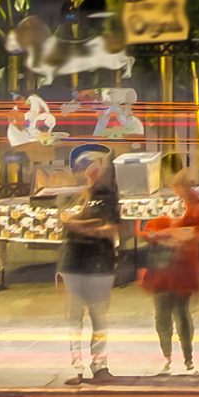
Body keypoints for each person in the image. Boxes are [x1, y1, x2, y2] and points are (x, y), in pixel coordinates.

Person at [139, 153, 199, 375]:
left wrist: (166, 232)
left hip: (181, 267)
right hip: (164, 267)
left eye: (178, 187)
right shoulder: (179, 203)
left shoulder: (195, 203)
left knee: (180, 313)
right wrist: (159, 232)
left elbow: (193, 232)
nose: (176, 191)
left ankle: (187, 359)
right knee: (163, 314)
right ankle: (168, 357)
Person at [59, 154, 121, 384]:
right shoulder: (71, 196)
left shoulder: (108, 196)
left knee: (99, 317)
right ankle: (76, 367)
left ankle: (100, 365)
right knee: (75, 319)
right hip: (73, 263)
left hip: (99, 263)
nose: (89, 170)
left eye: (93, 165)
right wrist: (89, 223)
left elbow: (110, 227)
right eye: (84, 167)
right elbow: (65, 221)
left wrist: (82, 226)